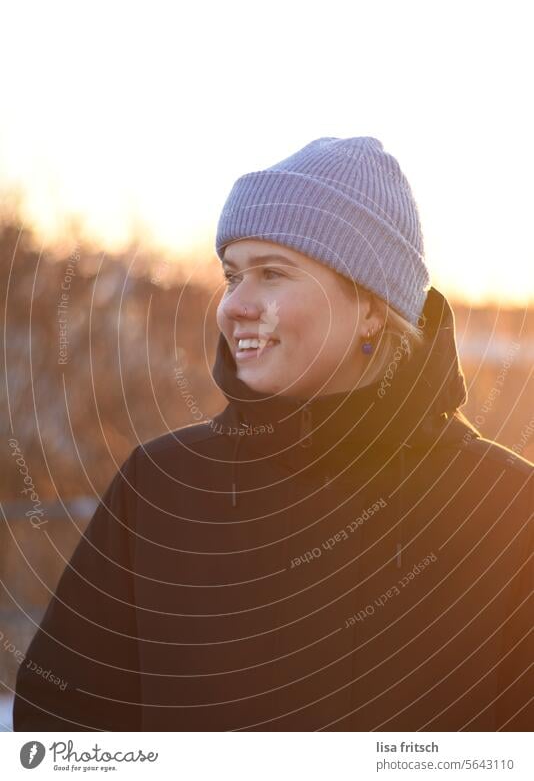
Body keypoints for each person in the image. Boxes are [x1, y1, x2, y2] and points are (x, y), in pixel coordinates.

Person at [14, 137, 533, 731]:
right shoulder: (161, 487)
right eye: (233, 276)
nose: (235, 306)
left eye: (273, 274)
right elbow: (62, 729)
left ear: (370, 305)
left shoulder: (506, 508)